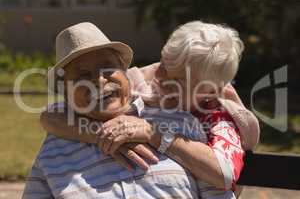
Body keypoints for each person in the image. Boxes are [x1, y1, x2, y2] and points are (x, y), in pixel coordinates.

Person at [24, 21, 260, 198]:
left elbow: (222, 181)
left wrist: (155, 134)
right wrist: (99, 134)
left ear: (124, 73)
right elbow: (49, 116)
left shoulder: (191, 123)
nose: (98, 80)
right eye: (82, 75)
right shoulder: (56, 145)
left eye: (107, 68)